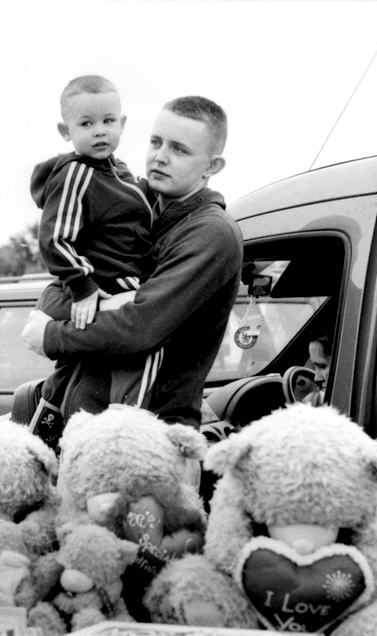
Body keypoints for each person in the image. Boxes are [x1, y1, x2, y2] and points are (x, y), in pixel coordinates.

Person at [23, 95, 242, 430]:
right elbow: (57, 289)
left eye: (179, 150)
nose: (160, 157)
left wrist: (52, 335)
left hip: (153, 433)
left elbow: (142, 327)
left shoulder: (212, 233)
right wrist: (104, 302)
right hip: (82, 423)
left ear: (212, 166)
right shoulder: (132, 207)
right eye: (156, 142)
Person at [27, 75, 154, 445]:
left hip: (120, 285)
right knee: (86, 371)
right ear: (65, 131)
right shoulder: (76, 174)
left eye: (108, 121)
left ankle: (59, 427)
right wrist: (83, 288)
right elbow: (55, 239)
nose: (100, 131)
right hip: (99, 287)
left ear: (122, 123)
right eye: (86, 124)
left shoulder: (121, 171)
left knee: (85, 368)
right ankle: (56, 429)